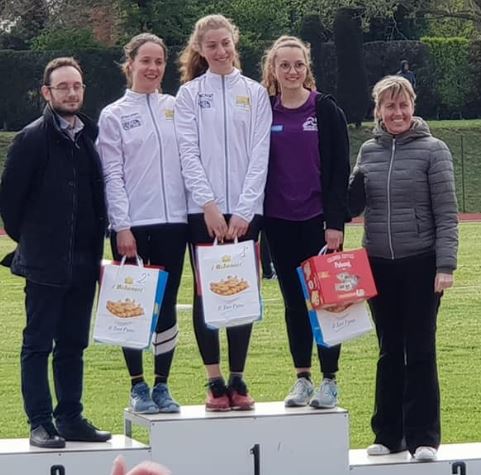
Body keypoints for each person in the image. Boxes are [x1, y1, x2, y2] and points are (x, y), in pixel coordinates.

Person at [0, 57, 111, 448]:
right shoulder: (31, 139)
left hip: (84, 262)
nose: (71, 93)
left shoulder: (89, 136)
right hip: (44, 263)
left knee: (73, 344)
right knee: (37, 345)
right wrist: (36, 242)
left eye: (76, 86)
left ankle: (70, 417)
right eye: (63, 87)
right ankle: (40, 423)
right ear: (47, 92)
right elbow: (10, 204)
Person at [349, 75, 458, 461]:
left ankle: (424, 437)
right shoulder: (367, 151)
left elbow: (446, 213)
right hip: (378, 264)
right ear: (378, 110)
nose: (397, 113)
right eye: (389, 106)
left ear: (413, 106)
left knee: (421, 350)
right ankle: (388, 433)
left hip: (421, 263)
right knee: (389, 350)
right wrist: (349, 190)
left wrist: (445, 265)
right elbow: (354, 205)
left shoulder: (434, 150)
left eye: (403, 105)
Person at [175, 14, 271, 411]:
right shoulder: (188, 95)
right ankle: (214, 381)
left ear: (235, 43)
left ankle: (238, 377)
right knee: (207, 292)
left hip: (247, 213)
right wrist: (209, 206)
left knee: (241, 290)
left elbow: (260, 153)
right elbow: (188, 153)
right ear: (200, 49)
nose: (220, 51)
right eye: (211, 45)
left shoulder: (255, 93)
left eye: (225, 43)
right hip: (203, 213)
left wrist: (245, 210)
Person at [97, 33, 188, 414]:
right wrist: (121, 226)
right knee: (131, 305)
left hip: (174, 223)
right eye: (145, 61)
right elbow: (112, 174)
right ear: (130, 63)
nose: (152, 68)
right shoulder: (114, 114)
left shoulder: (176, 107)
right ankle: (138, 385)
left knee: (166, 306)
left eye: (159, 62)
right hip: (132, 226)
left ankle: (162, 385)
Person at [261, 36, 350, 409]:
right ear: (273, 69)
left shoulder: (325, 109)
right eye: (284, 65)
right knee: (294, 304)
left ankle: (330, 380)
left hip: (318, 223)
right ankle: (302, 378)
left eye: (298, 64)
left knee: (327, 302)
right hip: (279, 222)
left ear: (306, 67)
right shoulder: (265, 112)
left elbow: (340, 169)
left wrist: (336, 222)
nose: (292, 71)